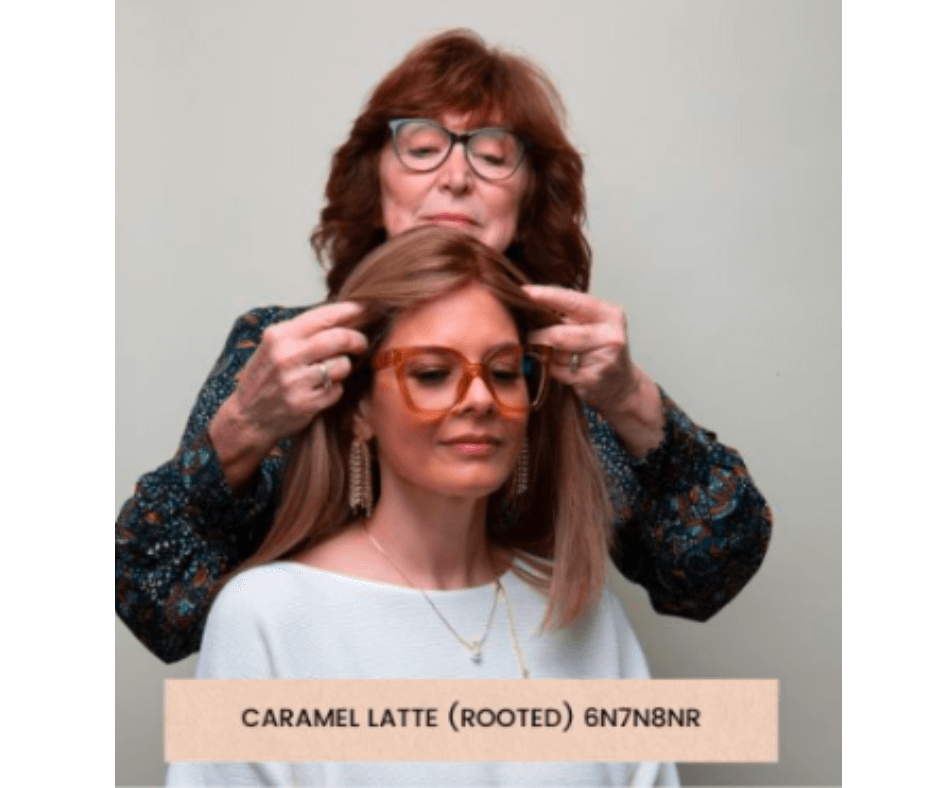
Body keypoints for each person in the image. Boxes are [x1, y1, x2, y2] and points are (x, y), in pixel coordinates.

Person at [116, 29, 771, 665]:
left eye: (491, 155)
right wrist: (242, 429)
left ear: (528, 194)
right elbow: (157, 605)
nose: (457, 177)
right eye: (423, 146)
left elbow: (704, 578)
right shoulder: (280, 353)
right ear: (375, 178)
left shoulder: (569, 374)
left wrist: (631, 400)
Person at [165, 225, 681, 787]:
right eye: (433, 374)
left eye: (505, 372)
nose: (481, 399)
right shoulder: (267, 616)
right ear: (359, 410)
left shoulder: (586, 613)